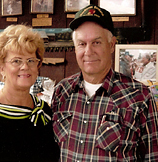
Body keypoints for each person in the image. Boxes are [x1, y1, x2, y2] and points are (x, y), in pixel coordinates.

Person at [51, 4, 158, 162]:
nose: (88, 51)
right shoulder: (62, 91)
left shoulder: (140, 96)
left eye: (96, 42)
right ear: (75, 48)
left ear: (112, 44)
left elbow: (152, 157)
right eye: (82, 44)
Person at [0, 24, 60, 162]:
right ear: (1, 67)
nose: (25, 67)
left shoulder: (43, 111)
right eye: (16, 61)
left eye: (31, 60)